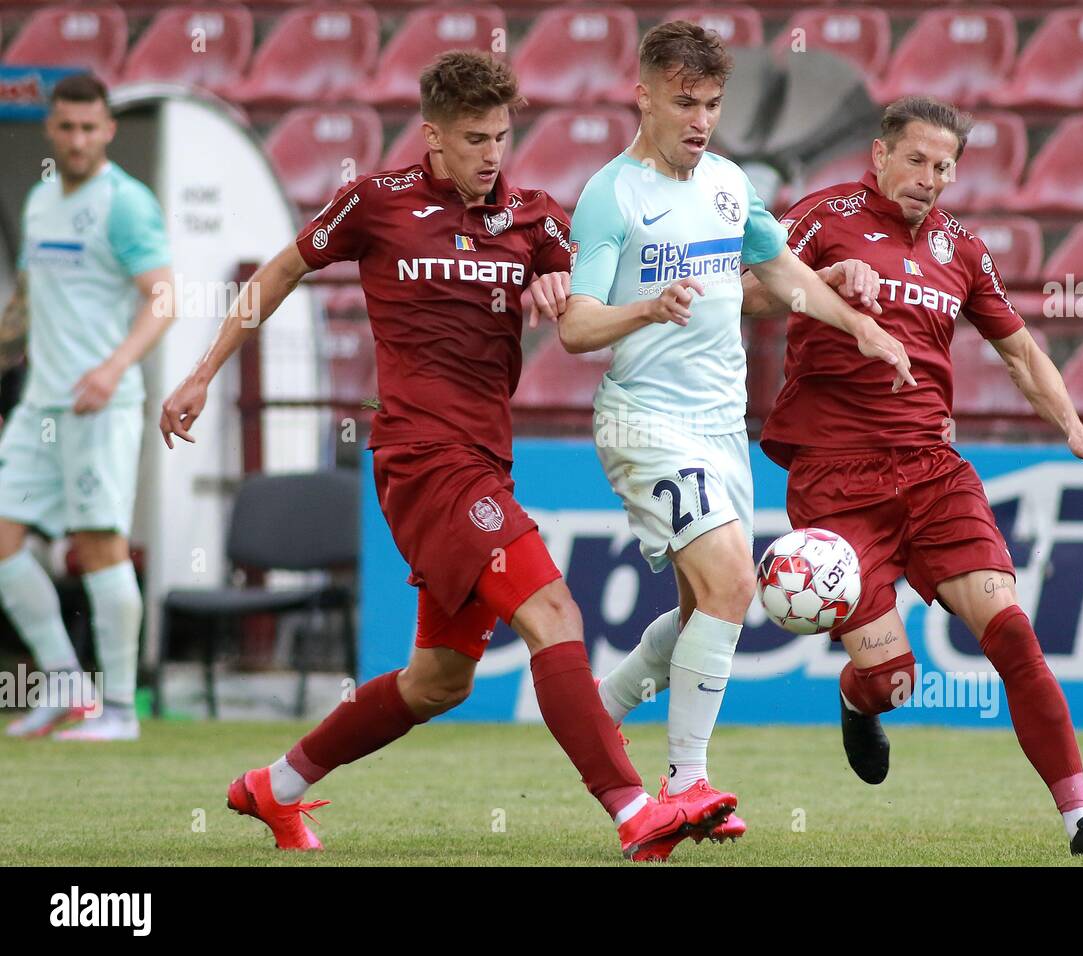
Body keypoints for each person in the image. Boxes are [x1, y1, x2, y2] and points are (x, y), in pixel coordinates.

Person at [160, 51, 734, 862]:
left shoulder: (536, 216)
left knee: (439, 681)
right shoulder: (377, 202)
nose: (492, 153)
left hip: (484, 461)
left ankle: (273, 788)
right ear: (431, 135)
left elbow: (578, 303)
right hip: (422, 459)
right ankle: (636, 809)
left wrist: (559, 286)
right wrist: (201, 373)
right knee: (554, 615)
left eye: (501, 135)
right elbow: (284, 267)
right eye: (473, 138)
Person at [741, 94, 1083, 857]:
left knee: (1013, 635)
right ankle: (859, 704)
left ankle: (1082, 822)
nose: (929, 176)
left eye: (943, 165)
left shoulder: (964, 250)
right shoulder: (822, 217)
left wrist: (1077, 430)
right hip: (835, 480)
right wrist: (827, 284)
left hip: (933, 472)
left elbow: (1020, 352)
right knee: (894, 681)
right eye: (916, 159)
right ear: (881, 156)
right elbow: (747, 292)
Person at [560, 22, 914, 851]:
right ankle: (686, 784)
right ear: (642, 94)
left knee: (700, 610)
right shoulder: (611, 195)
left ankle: (597, 711)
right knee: (730, 586)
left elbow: (778, 272)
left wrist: (857, 325)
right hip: (646, 417)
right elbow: (577, 327)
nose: (701, 119)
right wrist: (645, 306)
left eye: (713, 104)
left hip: (723, 426)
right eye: (684, 101)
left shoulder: (725, 183)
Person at [0, 73, 174, 742]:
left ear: (107, 130)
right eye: (64, 127)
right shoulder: (42, 201)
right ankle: (65, 683)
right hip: (41, 401)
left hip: (100, 406)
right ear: (50, 129)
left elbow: (163, 297)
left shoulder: (125, 204)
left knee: (98, 547)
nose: (75, 140)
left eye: (87, 128)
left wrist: (112, 368)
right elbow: (26, 294)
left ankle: (122, 711)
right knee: (5, 541)